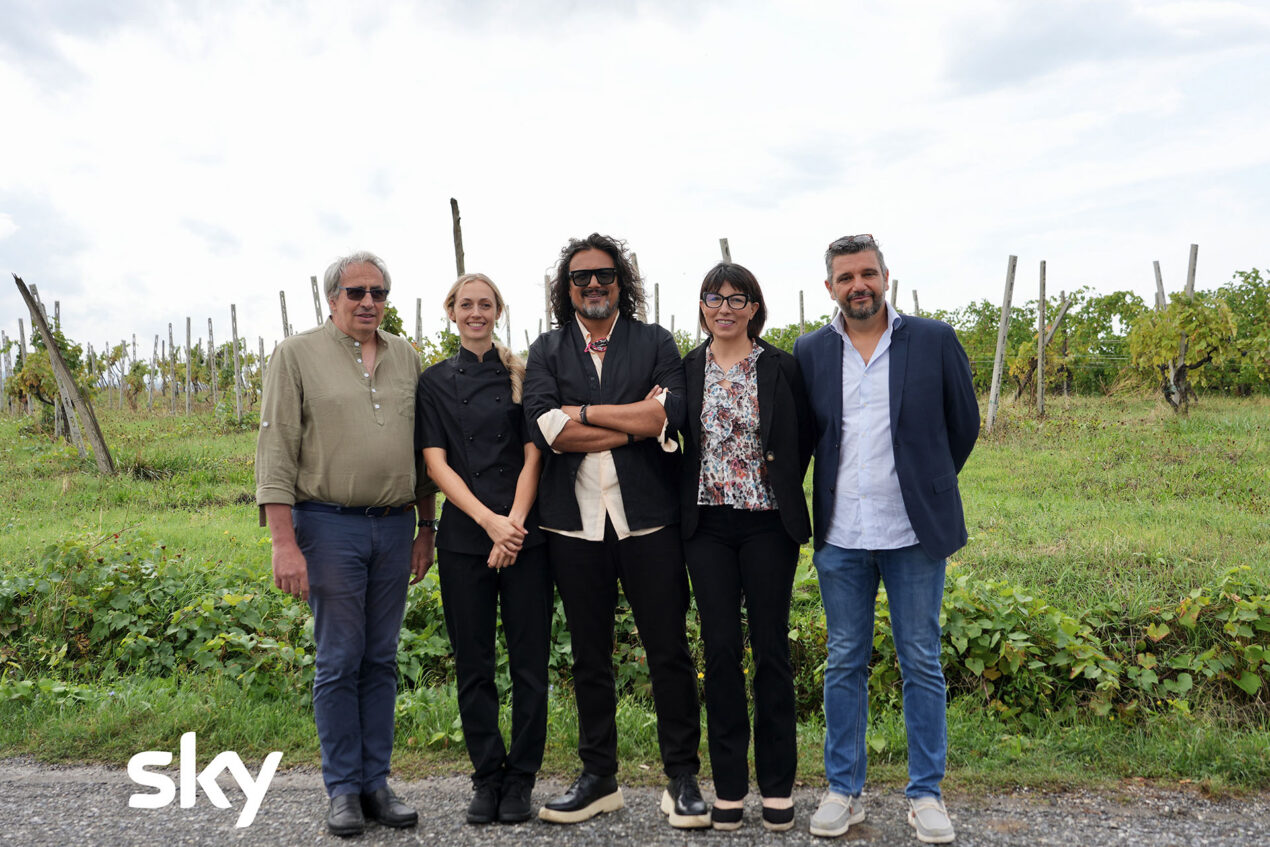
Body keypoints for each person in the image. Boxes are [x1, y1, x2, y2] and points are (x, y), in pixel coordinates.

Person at [794, 235, 979, 843]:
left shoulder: (932, 340)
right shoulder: (811, 351)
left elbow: (963, 424)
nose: (858, 286)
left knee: (920, 660)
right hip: (842, 536)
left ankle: (926, 794)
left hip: (912, 534)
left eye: (867, 273)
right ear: (830, 287)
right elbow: (806, 435)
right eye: (845, 277)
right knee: (844, 659)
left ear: (886, 277)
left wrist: (928, 485)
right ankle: (844, 790)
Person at [522, 233, 707, 829]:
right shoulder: (547, 349)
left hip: (649, 519)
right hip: (573, 525)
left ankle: (682, 778)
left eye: (604, 275)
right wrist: (634, 421)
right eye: (581, 278)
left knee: (669, 651)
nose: (594, 285)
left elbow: (668, 414)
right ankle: (599, 777)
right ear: (566, 289)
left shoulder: (654, 342)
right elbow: (548, 429)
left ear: (621, 282)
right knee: (589, 656)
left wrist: (586, 414)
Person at [255, 251, 437, 837]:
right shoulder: (296, 355)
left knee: (381, 658)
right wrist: (284, 542)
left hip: (393, 526)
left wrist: (426, 529)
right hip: (328, 524)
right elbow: (276, 449)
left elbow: (422, 452)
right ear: (331, 298)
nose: (368, 302)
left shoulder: (406, 356)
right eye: (355, 292)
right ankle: (342, 789)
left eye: (378, 292)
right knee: (339, 659)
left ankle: (375, 783)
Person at [680, 263, 814, 832]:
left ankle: (778, 785)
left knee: (771, 653)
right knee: (720, 653)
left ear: (755, 308)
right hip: (706, 527)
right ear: (704, 306)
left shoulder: (781, 366)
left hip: (766, 527)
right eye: (716, 297)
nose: (726, 307)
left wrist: (778, 487)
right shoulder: (687, 368)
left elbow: (803, 436)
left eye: (739, 298)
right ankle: (730, 787)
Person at [417, 273, 551, 825]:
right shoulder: (434, 382)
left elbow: (534, 454)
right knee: (474, 664)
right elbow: (435, 462)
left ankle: (521, 779)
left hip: (525, 537)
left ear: (498, 311)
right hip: (467, 537)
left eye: (485, 304)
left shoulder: (524, 374)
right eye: (466, 304)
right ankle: (486, 775)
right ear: (451, 312)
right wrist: (488, 523)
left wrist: (513, 525)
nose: (476, 312)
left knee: (529, 665)